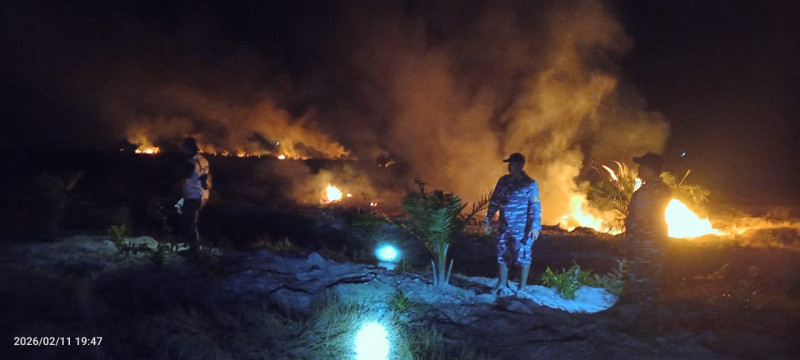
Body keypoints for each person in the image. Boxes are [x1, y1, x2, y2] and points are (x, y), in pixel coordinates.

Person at [484, 152, 542, 294]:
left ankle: (521, 289)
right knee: (502, 254)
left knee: (523, 256)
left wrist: (535, 227)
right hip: (504, 226)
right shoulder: (503, 181)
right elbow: (495, 201)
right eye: (509, 163)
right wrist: (488, 219)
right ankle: (501, 285)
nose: (510, 166)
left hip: (522, 228)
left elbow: (535, 206)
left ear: (521, 165)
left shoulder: (530, 184)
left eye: (513, 163)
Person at [622, 152, 672, 306]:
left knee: (639, 279)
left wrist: (630, 241)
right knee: (652, 279)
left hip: (643, 243)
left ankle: (638, 312)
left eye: (642, 166)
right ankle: (651, 311)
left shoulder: (644, 193)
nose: (639, 169)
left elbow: (640, 218)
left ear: (650, 168)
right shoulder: (665, 189)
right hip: (659, 241)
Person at [179, 137, 211, 249]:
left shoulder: (191, 162)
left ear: (188, 147)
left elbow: (185, 179)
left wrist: (177, 188)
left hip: (192, 195)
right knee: (191, 220)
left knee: (189, 222)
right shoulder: (204, 160)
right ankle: (193, 247)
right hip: (203, 195)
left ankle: (194, 249)